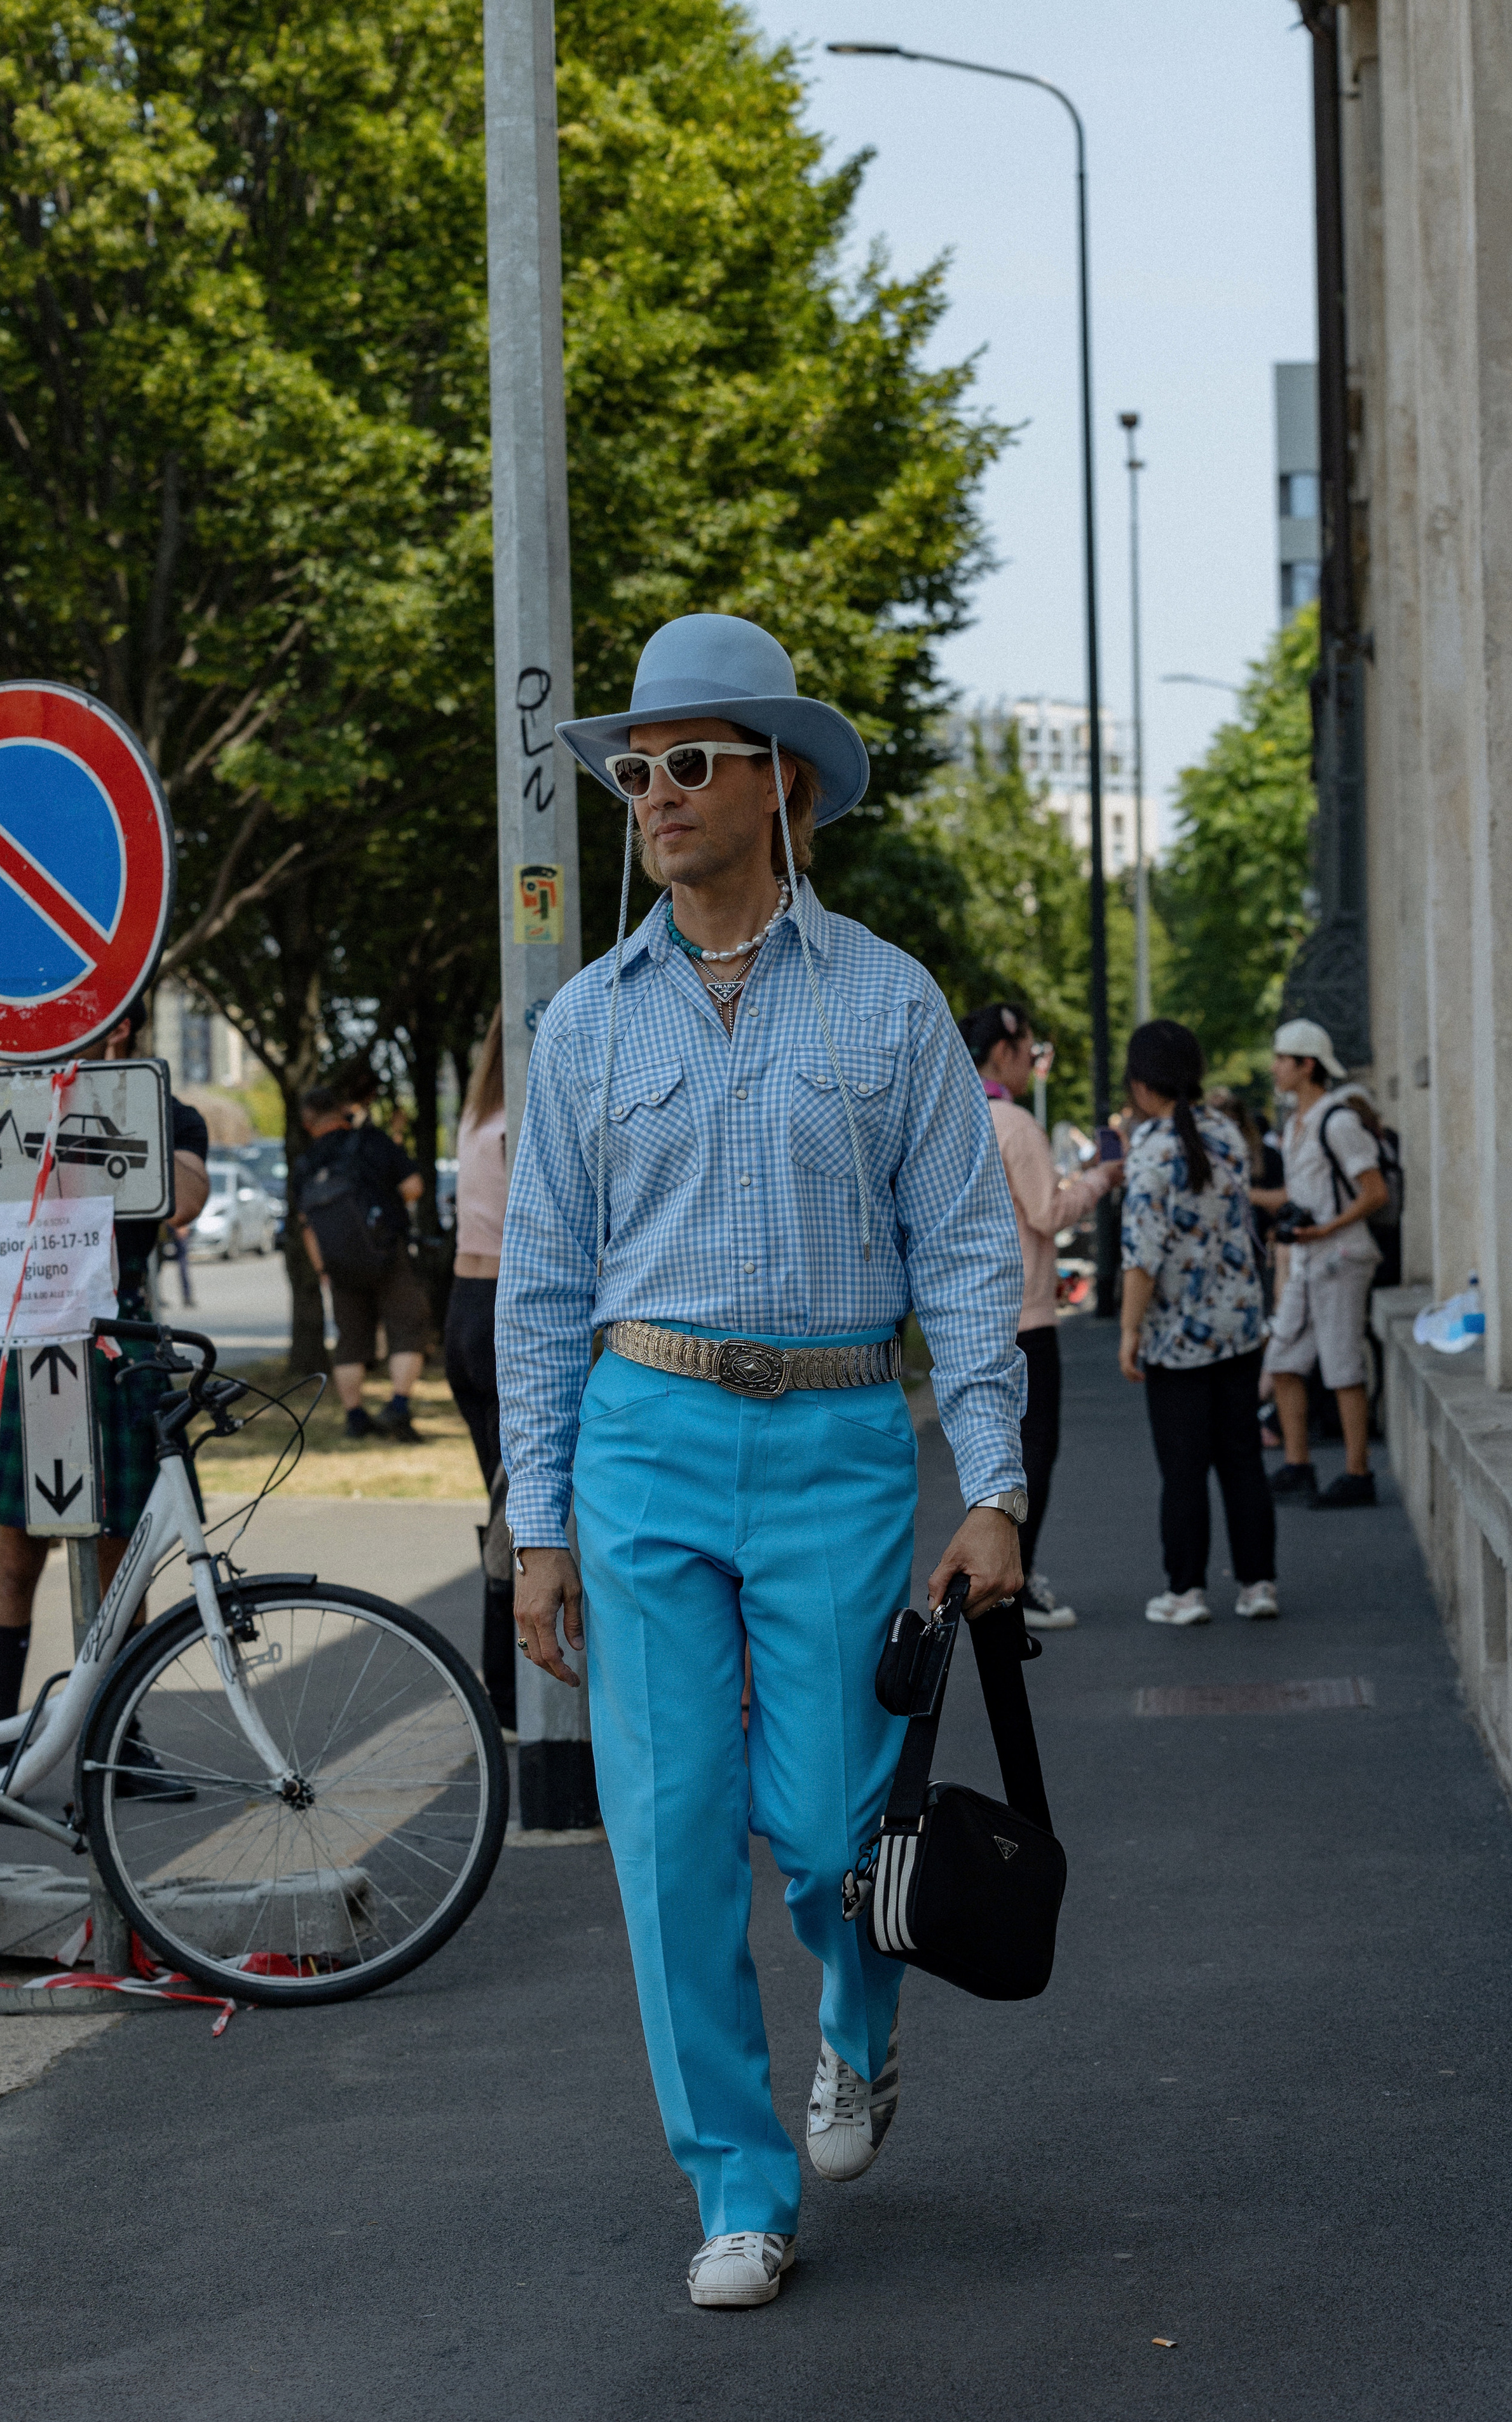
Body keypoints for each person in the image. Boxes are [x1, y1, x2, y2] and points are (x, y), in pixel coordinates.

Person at [498, 613, 1027, 2311]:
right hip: (644, 1441)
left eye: (690, 762)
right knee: (666, 1841)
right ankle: (738, 2184)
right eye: (636, 768)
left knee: (824, 1829)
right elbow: (547, 1288)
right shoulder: (584, 1024)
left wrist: (997, 1489)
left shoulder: (886, 1000)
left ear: (782, 783)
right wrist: (536, 1521)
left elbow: (961, 1250)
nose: (652, 792)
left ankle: (857, 2032)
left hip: (838, 1445)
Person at [0, 998, 210, 1788]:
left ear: (122, 1027)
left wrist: (105, 1114)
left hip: (115, 1337)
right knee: (18, 1554)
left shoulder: (165, 1108)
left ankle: (112, 1746)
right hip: (29, 1329)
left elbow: (186, 1201)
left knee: (119, 1560)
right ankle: (3, 1751)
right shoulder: (15, 1094)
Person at [960, 1002, 1122, 1631]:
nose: (1032, 1063)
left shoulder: (952, 1112)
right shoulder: (1014, 1123)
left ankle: (994, 1576)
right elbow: (1047, 1214)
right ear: (1003, 1051)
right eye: (1029, 1050)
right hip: (1025, 1315)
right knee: (1032, 1453)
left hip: (967, 1313)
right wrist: (1100, 1180)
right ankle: (1010, 1583)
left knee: (987, 1452)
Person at [1119, 1019, 1277, 1625]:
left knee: (1182, 1467)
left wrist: (1131, 1332)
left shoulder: (1151, 1152)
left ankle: (1186, 1592)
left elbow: (1142, 1256)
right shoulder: (1228, 1135)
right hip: (1238, 1325)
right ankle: (1258, 1584)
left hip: (1176, 1339)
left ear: (1140, 1084)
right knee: (1241, 1459)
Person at [1249, 1019, 1389, 1509]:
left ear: (1307, 1065)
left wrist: (1326, 1229)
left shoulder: (1339, 1122)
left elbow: (1375, 1192)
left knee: (1343, 1365)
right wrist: (1247, 1196)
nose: (1275, 1067)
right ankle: (1298, 1464)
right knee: (1284, 1361)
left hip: (1342, 1256)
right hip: (1310, 1257)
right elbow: (1299, 1193)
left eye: (1282, 1058)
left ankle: (1358, 1473)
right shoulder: (1296, 1125)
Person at [444, 1006, 514, 1731]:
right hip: (500, 1305)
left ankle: (506, 1688)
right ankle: (508, 1693)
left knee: (500, 1498)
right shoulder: (513, 1124)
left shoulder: (474, 1115)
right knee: (517, 1510)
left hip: (463, 1306)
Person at [294, 1085, 427, 1444]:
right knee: (407, 1331)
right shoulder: (371, 1143)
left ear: (308, 1122)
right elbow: (413, 1186)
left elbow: (306, 1225)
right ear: (342, 1111)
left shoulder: (305, 1164)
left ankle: (355, 1418)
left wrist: (324, 1269)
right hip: (387, 1253)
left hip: (339, 1266)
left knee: (350, 1342)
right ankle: (398, 1407)